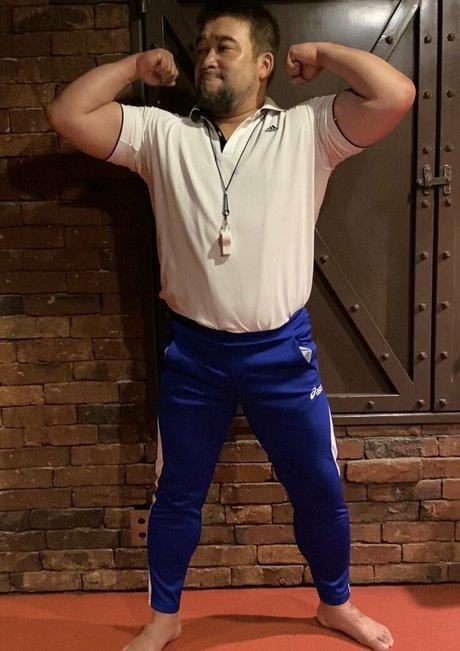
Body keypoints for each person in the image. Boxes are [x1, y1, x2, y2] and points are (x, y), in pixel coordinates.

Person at [46, 1, 415, 650]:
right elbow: (69, 113)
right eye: (202, 49)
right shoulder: (161, 135)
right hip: (195, 356)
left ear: (265, 63)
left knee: (319, 488)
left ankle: (336, 604)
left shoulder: (308, 129)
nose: (207, 58)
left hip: (283, 353)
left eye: (225, 47)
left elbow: (396, 94)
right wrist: (134, 67)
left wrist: (324, 55)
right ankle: (164, 617)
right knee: (176, 493)